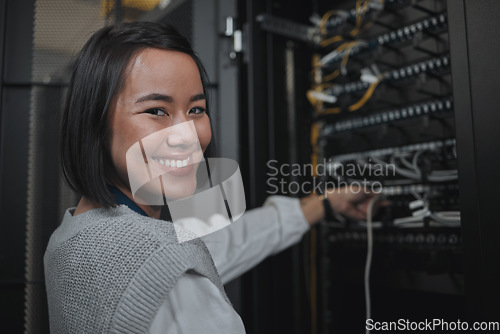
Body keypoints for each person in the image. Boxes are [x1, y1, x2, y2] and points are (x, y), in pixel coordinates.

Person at [44, 21, 374, 334]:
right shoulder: (154, 258)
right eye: (156, 111)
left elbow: (214, 250)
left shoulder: (74, 234)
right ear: (95, 123)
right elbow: (171, 260)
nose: (185, 135)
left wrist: (326, 203)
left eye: (196, 110)